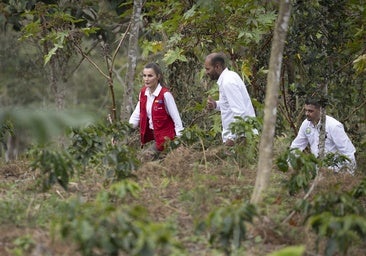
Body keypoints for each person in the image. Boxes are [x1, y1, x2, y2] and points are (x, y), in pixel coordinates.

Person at [129, 62, 183, 159]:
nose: (146, 79)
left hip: (166, 139)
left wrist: (180, 142)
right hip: (153, 137)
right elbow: (136, 115)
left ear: (158, 77)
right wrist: (124, 130)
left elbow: (177, 120)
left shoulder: (165, 95)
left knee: (143, 159)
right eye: (144, 76)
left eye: (150, 76)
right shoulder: (143, 93)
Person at [290, 98, 357, 174]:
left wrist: (349, 177)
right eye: (306, 110)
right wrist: (289, 166)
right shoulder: (306, 124)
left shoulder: (333, 126)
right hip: (317, 170)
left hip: (336, 171)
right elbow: (297, 146)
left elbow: (348, 151)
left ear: (320, 110)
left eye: (310, 111)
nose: (306, 113)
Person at [205, 52, 257, 146]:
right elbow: (230, 105)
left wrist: (232, 138)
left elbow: (240, 112)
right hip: (239, 136)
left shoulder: (228, 81)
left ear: (217, 67)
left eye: (208, 69)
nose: (206, 72)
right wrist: (215, 105)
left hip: (240, 138)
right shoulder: (228, 77)